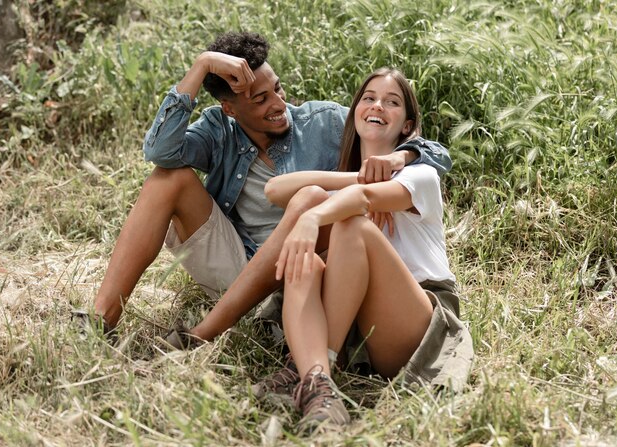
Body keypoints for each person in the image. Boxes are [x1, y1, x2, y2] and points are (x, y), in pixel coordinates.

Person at [74, 32, 453, 347]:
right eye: (260, 99)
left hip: (306, 266)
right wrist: (202, 65)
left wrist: (400, 159)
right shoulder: (217, 131)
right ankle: (102, 318)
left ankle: (218, 331)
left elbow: (420, 146)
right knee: (166, 178)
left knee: (311, 202)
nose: (279, 104)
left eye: (278, 89)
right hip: (240, 266)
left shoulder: (322, 122)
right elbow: (160, 150)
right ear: (230, 109)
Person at [253, 68, 473, 430]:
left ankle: (307, 368)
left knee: (351, 222)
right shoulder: (349, 186)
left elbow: (366, 198)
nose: (378, 105)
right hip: (355, 327)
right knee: (306, 261)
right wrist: (360, 176)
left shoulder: (420, 175)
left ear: (407, 126)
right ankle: (320, 388)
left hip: (411, 320)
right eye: (369, 98)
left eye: (392, 102)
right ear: (355, 111)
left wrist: (313, 219)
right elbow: (276, 189)